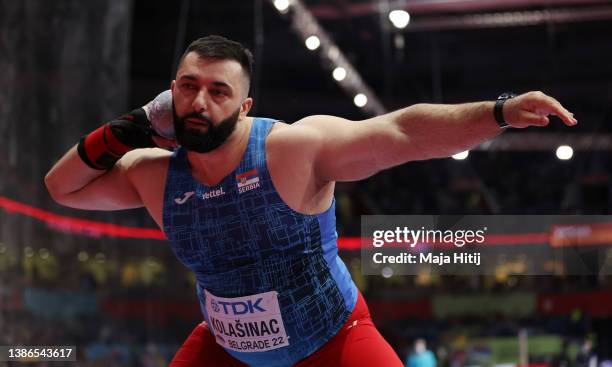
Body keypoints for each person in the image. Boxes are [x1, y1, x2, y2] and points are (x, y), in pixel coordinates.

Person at [44, 35, 577, 367]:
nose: (199, 101)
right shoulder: (153, 175)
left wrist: (499, 111)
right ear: (168, 95)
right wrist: (127, 127)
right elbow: (62, 186)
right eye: (188, 87)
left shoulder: (292, 149)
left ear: (245, 104)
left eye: (218, 91)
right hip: (226, 350)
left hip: (334, 341)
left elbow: (404, 132)